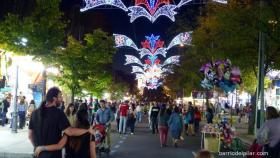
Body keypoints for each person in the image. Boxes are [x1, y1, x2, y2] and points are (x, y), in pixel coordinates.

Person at [28, 87, 94, 158]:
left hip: (38, 154)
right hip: (53, 155)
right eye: (60, 97)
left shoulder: (34, 113)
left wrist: (37, 147)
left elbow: (30, 136)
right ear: (54, 98)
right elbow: (70, 131)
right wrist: (87, 130)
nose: (62, 99)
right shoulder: (58, 113)